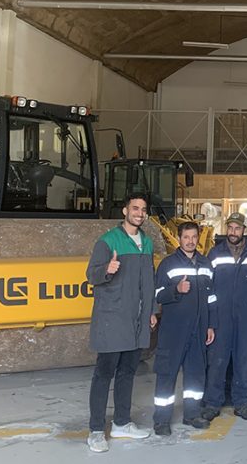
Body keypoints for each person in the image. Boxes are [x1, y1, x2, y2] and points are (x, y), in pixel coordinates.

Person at [84, 193, 157, 453]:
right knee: (104, 374)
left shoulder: (147, 243)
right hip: (113, 318)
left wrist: (151, 310)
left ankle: (122, 423)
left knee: (127, 372)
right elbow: (91, 275)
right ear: (125, 211)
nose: (139, 213)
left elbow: (149, 281)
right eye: (135, 208)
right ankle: (95, 430)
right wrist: (107, 270)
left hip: (136, 320)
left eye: (143, 209)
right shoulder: (108, 241)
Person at [202, 213, 247, 422]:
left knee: (243, 362)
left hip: (246, 319)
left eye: (237, 228)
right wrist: (211, 319)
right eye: (230, 228)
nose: (233, 232)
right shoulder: (215, 253)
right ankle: (213, 403)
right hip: (221, 319)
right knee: (217, 362)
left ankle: (242, 403)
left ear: (244, 230)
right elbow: (207, 287)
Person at [152, 221, 216, 436]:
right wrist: (176, 289)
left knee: (196, 374)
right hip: (174, 330)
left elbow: (212, 298)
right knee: (167, 373)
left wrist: (211, 325)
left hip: (199, 328)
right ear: (179, 239)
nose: (190, 241)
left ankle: (192, 414)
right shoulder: (168, 264)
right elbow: (158, 295)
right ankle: (161, 420)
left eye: (194, 237)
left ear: (198, 238)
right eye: (186, 237)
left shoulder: (206, 264)